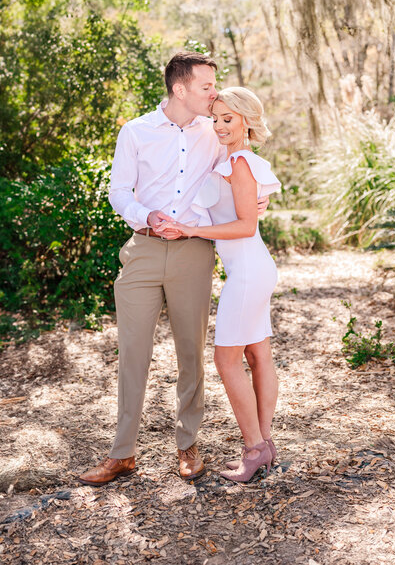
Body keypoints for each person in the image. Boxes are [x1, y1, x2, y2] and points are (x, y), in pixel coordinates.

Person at [77, 52, 268, 486]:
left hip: (193, 254)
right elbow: (118, 190)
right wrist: (148, 216)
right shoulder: (136, 131)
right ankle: (122, 452)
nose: (214, 94)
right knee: (133, 353)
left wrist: (260, 199)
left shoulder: (216, 130)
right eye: (206, 86)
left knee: (190, 354)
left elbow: (245, 170)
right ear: (180, 89)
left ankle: (188, 444)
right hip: (142, 251)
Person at [161, 87, 281, 482]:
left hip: (248, 272)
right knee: (257, 356)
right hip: (253, 268)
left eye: (228, 119)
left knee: (225, 360)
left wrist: (194, 230)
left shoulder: (241, 163)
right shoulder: (232, 160)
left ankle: (253, 450)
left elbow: (246, 225)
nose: (219, 126)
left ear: (247, 120)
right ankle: (264, 444)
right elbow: (248, 211)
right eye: (215, 119)